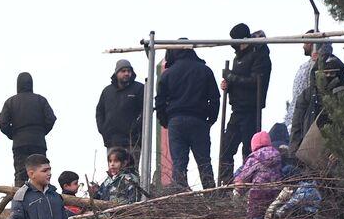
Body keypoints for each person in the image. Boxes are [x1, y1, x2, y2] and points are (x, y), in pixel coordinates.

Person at [154, 41, 219, 189]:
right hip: (199, 120)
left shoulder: (168, 73)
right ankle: (212, 195)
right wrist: (210, 119)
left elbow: (159, 101)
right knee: (204, 162)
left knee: (179, 163)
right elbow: (215, 98)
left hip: (175, 121)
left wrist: (165, 120)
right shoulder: (205, 70)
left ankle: (180, 198)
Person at [219, 23, 272, 185]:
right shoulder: (239, 57)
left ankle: (247, 185)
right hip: (236, 109)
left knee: (249, 151)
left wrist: (232, 77)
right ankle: (226, 186)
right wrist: (227, 84)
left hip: (250, 109)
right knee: (226, 149)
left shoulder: (258, 55)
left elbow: (256, 82)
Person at [0, 72, 57, 187]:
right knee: (41, 172)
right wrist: (42, 132)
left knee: (21, 174)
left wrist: (13, 134)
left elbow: (2, 123)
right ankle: (42, 200)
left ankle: (20, 202)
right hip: (38, 142)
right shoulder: (41, 100)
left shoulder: (10, 102)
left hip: (20, 143)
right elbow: (51, 119)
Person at [290, 40, 344, 152]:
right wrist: (294, 154)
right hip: (308, 151)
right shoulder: (307, 96)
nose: (328, 77)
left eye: (332, 73)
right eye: (325, 73)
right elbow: (297, 127)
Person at [95, 59, 144, 161]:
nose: (126, 73)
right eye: (123, 71)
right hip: (112, 141)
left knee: (131, 174)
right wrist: (103, 129)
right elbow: (99, 112)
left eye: (129, 71)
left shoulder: (139, 89)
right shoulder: (107, 91)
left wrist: (136, 127)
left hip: (132, 142)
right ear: (117, 73)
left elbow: (145, 111)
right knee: (115, 174)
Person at [232, 131, 283, 219]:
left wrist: (238, 186)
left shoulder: (254, 158)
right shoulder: (277, 155)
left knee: (254, 215)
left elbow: (244, 176)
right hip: (276, 190)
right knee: (270, 214)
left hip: (259, 191)